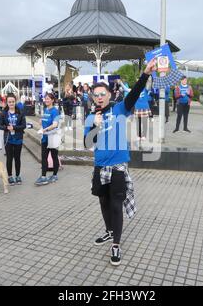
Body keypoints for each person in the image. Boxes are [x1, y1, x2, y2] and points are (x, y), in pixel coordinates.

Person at [84, 58, 157, 267]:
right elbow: (87, 143)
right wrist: (95, 126)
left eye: (102, 94)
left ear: (109, 95)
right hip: (100, 166)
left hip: (117, 166)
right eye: (95, 95)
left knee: (116, 205)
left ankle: (116, 244)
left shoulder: (119, 109)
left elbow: (133, 95)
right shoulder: (91, 117)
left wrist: (145, 74)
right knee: (103, 202)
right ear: (93, 97)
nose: (99, 98)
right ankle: (109, 232)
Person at [0, 94, 27, 186]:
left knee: (17, 158)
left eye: (13, 102)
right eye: (9, 102)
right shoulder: (4, 113)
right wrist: (7, 128)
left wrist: (14, 127)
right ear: (7, 102)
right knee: (9, 158)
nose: (11, 103)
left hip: (18, 138)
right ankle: (10, 176)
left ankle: (18, 175)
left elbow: (24, 125)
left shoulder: (20, 112)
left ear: (15, 102)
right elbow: (0, 126)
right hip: (8, 139)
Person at [35, 93, 60, 186]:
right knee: (44, 157)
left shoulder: (55, 111)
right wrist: (41, 122)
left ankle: (54, 175)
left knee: (54, 156)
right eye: (45, 99)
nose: (46, 100)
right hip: (45, 138)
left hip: (53, 137)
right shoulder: (45, 110)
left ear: (53, 100)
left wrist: (44, 130)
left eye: (48, 99)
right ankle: (43, 176)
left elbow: (55, 125)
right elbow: (44, 121)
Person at [134, 77, 153, 142]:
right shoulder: (134, 90)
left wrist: (149, 77)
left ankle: (144, 135)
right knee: (138, 123)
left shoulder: (145, 89)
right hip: (137, 108)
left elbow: (149, 83)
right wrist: (121, 83)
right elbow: (125, 89)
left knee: (144, 123)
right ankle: (138, 135)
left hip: (145, 108)